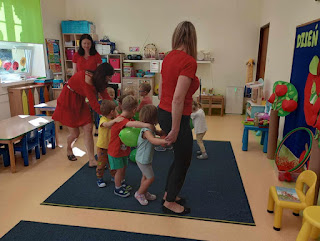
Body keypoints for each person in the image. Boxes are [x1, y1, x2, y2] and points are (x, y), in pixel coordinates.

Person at [158, 21, 199, 215]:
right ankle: (169, 202)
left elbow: (165, 89)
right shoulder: (188, 61)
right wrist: (175, 129)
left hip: (165, 112)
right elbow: (177, 98)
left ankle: (169, 194)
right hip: (176, 116)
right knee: (184, 160)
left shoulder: (169, 57)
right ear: (193, 39)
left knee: (179, 157)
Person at [52, 63, 113, 167]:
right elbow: (94, 104)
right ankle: (69, 148)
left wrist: (115, 108)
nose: (110, 79)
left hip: (79, 100)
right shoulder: (87, 80)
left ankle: (92, 160)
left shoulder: (98, 80)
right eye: (109, 77)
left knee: (88, 128)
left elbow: (105, 96)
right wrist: (108, 114)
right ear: (103, 75)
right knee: (75, 134)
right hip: (68, 101)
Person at [108, 95, 154, 197]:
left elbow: (134, 122)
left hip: (122, 150)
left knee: (124, 168)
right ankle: (117, 187)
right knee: (119, 170)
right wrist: (146, 125)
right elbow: (132, 124)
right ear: (134, 110)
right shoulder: (121, 119)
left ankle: (122, 182)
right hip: (115, 151)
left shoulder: (128, 118)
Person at [134, 105, 167, 205]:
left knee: (145, 176)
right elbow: (152, 140)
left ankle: (144, 192)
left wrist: (163, 132)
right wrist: (164, 140)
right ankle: (139, 193)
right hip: (142, 159)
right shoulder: (146, 130)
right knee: (150, 178)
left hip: (146, 158)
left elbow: (157, 132)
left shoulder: (150, 126)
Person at [96, 100, 124, 188]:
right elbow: (107, 125)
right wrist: (116, 120)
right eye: (115, 110)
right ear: (112, 112)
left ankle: (113, 176)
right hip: (102, 147)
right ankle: (99, 178)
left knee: (112, 163)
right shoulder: (103, 119)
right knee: (101, 164)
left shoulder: (112, 119)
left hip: (111, 146)